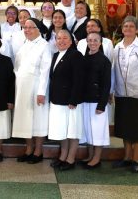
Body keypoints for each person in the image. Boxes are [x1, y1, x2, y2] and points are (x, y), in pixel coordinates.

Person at [112, 15, 138, 173]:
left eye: (131, 26)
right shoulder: (117, 47)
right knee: (125, 127)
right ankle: (127, 158)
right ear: (122, 29)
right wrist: (112, 90)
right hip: (122, 94)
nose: (128, 29)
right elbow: (114, 70)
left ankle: (136, 160)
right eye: (125, 26)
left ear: (137, 29)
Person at [12, 18, 52, 164]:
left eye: (30, 27)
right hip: (22, 87)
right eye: (25, 27)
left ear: (38, 29)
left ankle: (38, 151)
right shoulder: (25, 44)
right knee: (25, 119)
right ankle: (28, 149)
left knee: (37, 119)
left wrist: (41, 92)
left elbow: (45, 70)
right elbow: (17, 66)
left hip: (36, 88)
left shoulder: (44, 45)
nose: (27, 30)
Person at [48, 29, 84, 171]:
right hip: (57, 100)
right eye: (58, 38)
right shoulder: (56, 55)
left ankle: (71, 159)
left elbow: (79, 80)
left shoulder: (76, 55)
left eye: (65, 38)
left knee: (72, 131)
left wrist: (74, 99)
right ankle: (63, 156)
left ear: (71, 41)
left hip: (70, 101)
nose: (61, 41)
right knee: (62, 131)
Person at [80, 31, 111, 169]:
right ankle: (90, 155)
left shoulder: (104, 60)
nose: (92, 43)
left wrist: (102, 104)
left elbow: (106, 84)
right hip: (85, 100)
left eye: (95, 40)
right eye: (90, 40)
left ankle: (97, 158)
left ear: (100, 43)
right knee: (88, 130)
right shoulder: (84, 58)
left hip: (97, 101)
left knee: (98, 131)